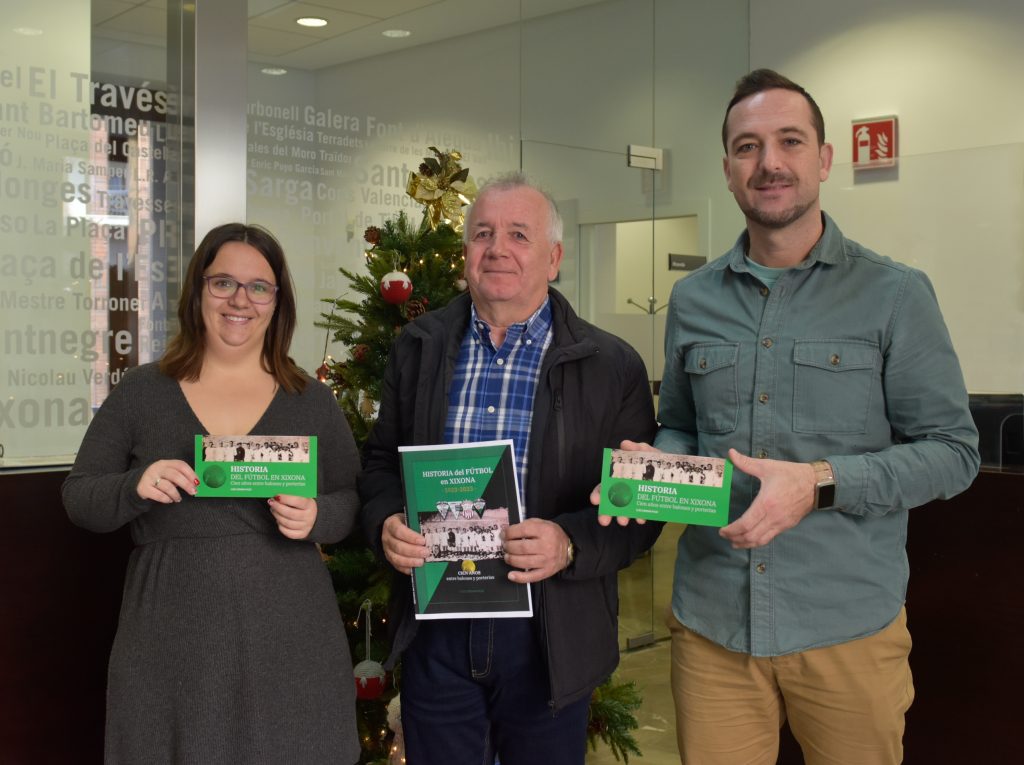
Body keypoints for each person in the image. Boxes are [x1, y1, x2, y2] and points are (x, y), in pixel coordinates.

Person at [642, 69, 981, 764]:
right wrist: (653, 468)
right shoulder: (694, 299)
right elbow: (679, 424)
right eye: (747, 147)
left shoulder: (895, 295)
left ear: (824, 159)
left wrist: (820, 481)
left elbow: (953, 450)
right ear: (729, 172)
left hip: (847, 628)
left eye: (789, 141)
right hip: (712, 627)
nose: (769, 162)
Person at [359, 173, 662, 765]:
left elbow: (641, 509)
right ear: (466, 252)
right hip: (436, 627)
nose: (497, 248)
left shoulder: (612, 365)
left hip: (550, 633)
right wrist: (384, 523)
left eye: (519, 235)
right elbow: (378, 465)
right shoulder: (417, 346)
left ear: (553, 258)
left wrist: (569, 543)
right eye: (483, 234)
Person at [62, 223, 361, 764]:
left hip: (291, 640)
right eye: (223, 283)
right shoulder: (142, 392)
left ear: (277, 301)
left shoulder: (311, 400)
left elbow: (350, 500)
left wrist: (319, 515)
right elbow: (80, 497)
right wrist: (135, 486)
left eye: (258, 287)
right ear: (198, 291)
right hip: (172, 639)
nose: (239, 300)